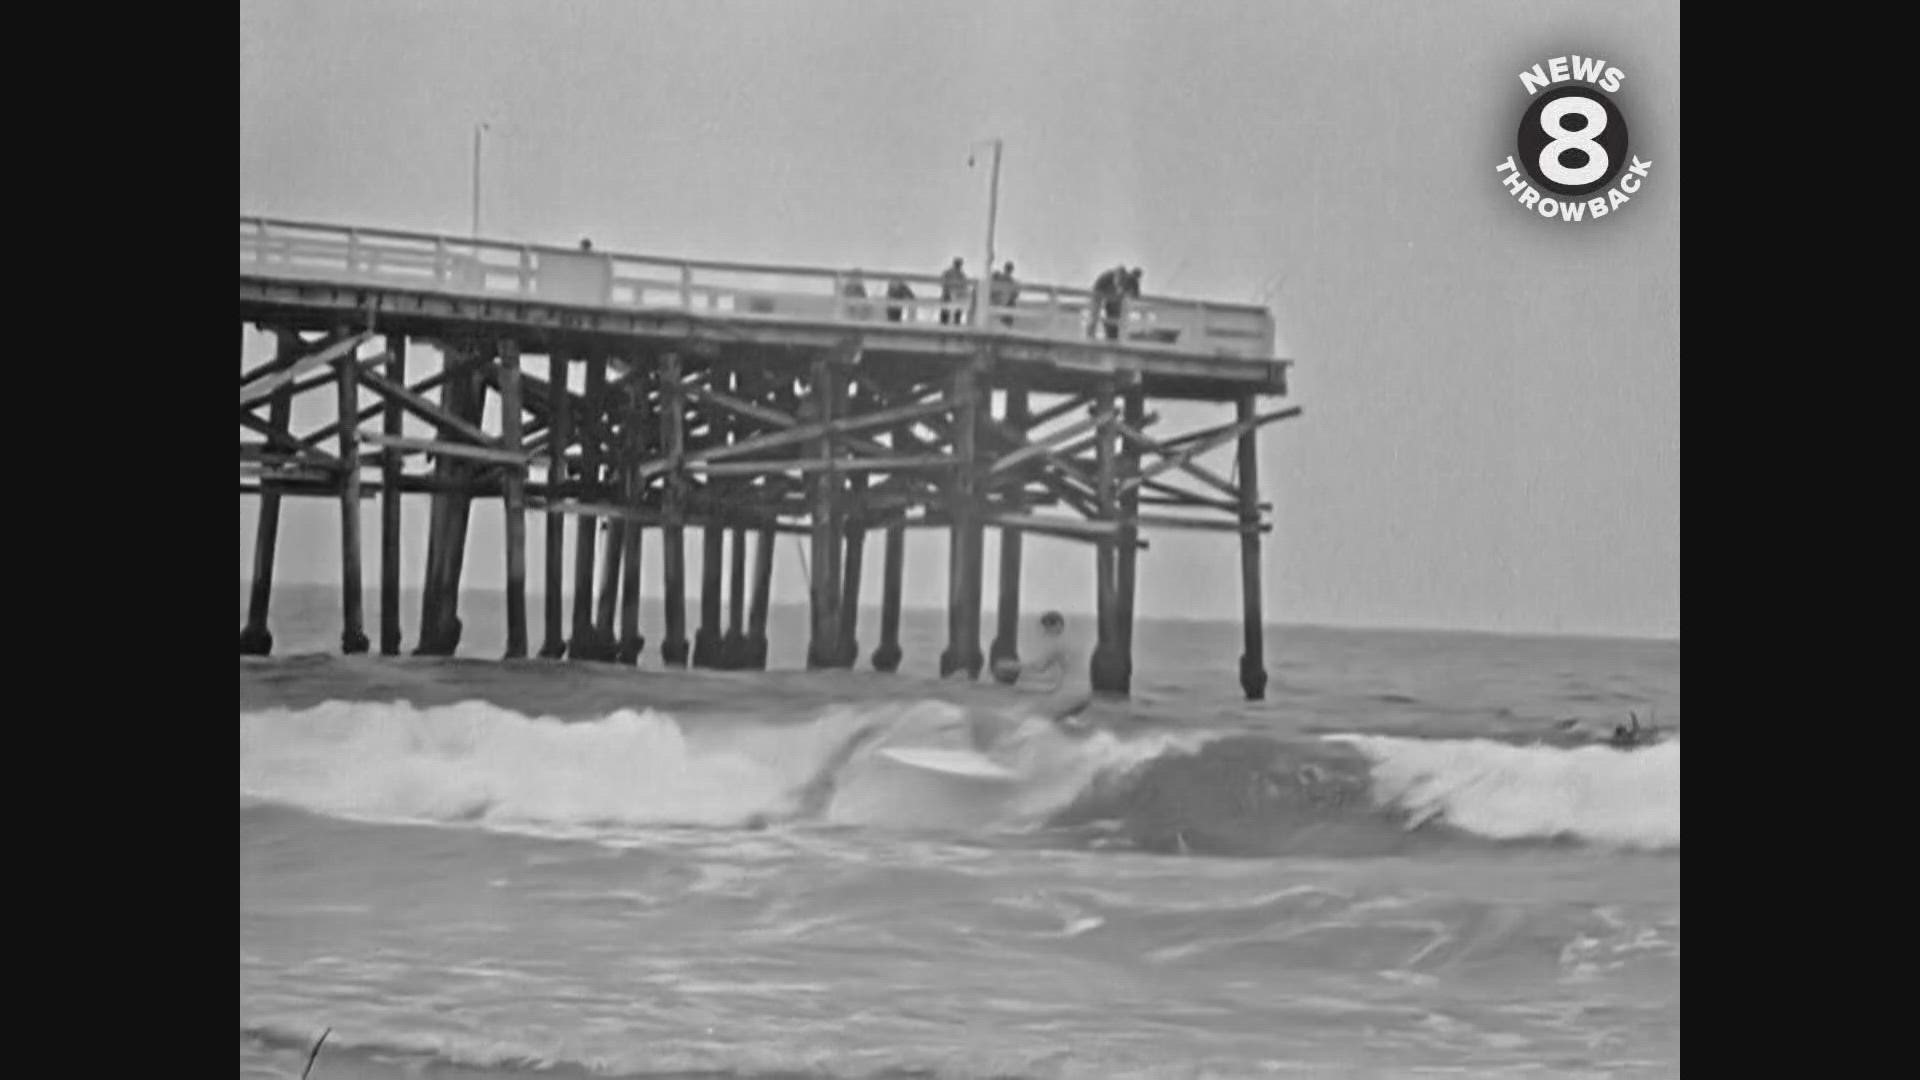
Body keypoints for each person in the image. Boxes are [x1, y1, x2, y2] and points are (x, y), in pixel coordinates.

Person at [1090, 264, 1126, 340]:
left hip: (1109, 293)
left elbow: (1121, 290)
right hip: (1099, 291)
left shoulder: (1122, 278)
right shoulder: (1107, 277)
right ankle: (1091, 335)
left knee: (1114, 313)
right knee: (1094, 315)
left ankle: (1112, 336)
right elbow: (1097, 290)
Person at [990, 261, 1020, 328]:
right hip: (1003, 303)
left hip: (1001, 303)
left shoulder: (1006, 279)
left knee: (1004, 321)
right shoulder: (1009, 280)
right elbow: (1015, 294)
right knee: (1005, 322)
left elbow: (1015, 294)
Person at [940, 257, 968, 325]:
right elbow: (942, 282)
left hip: (957, 295)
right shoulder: (948, 272)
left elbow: (964, 286)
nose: (959, 265)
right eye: (958, 264)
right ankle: (945, 323)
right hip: (948, 294)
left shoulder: (961, 274)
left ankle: (956, 322)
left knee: (958, 309)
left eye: (959, 264)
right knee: (945, 309)